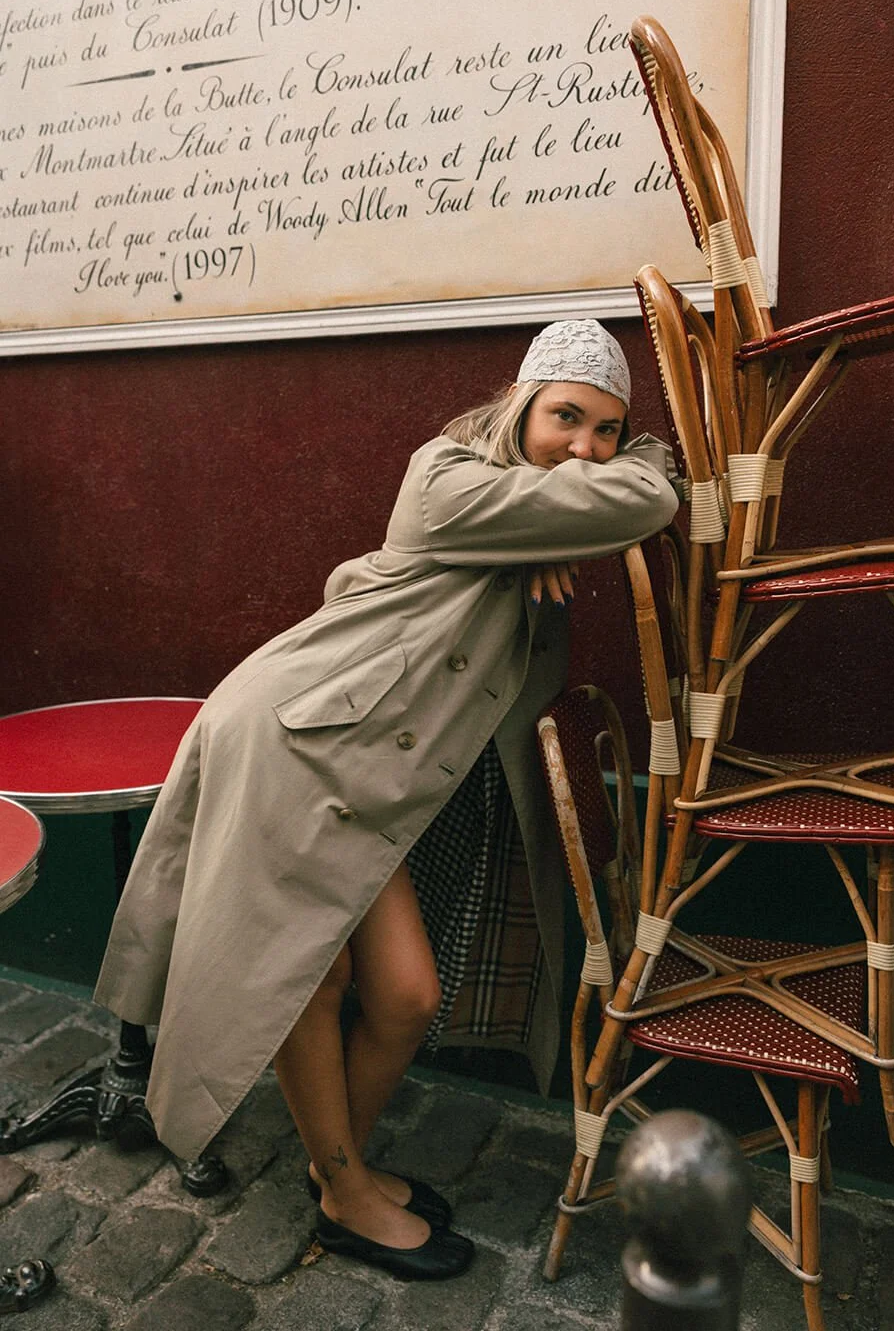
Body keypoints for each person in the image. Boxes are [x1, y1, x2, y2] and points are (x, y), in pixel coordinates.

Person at [94, 318, 679, 1280]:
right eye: (563, 417)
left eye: (606, 432)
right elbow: (649, 497)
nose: (583, 446)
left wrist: (561, 512)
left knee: (404, 998)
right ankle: (346, 1189)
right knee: (310, 982)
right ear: (518, 405)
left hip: (361, 771)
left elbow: (636, 487)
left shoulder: (530, 504)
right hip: (292, 745)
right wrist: (581, 508)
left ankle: (340, 1175)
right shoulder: (442, 476)